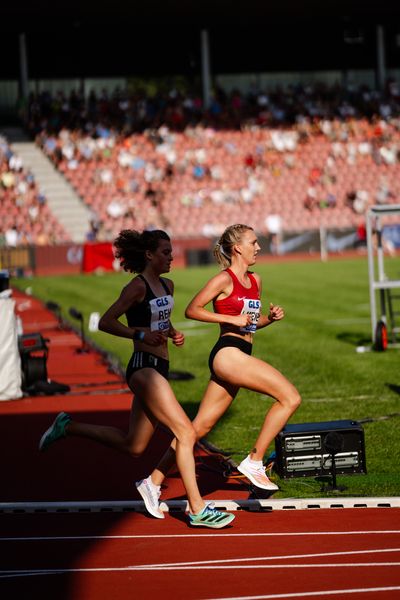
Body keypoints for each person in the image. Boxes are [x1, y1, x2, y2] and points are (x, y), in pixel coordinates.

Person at [38, 229, 234, 529]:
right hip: (143, 368)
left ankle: (68, 426)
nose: (171, 257)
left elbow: (161, 322)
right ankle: (197, 509)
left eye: (171, 252)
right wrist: (139, 334)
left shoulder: (168, 285)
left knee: (134, 445)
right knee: (185, 431)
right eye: (166, 252)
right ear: (149, 255)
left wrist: (172, 333)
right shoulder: (136, 287)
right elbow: (106, 321)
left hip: (160, 366)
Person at [147, 223, 301, 503]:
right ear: (237, 248)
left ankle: (153, 481)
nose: (258, 247)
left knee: (198, 428)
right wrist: (230, 319)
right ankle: (254, 461)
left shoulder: (256, 280)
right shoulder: (223, 279)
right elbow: (192, 309)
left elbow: (250, 326)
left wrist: (269, 319)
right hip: (227, 354)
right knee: (290, 397)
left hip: (241, 352)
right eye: (253, 242)